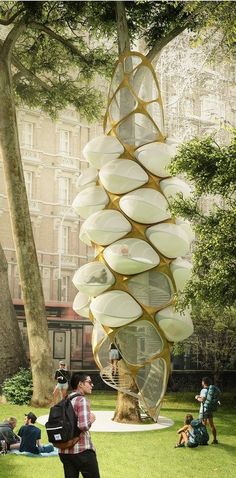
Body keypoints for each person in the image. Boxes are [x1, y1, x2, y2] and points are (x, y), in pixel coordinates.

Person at [58, 372, 100, 478]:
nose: (92, 385)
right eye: (89, 382)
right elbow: (83, 426)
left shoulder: (65, 400)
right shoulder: (81, 400)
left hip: (64, 451)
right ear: (80, 384)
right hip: (82, 451)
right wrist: (92, 419)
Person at [195, 376, 218, 444]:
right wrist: (199, 396)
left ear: (203, 382)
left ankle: (203, 440)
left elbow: (202, 399)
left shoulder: (203, 390)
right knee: (211, 424)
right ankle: (215, 439)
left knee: (202, 425)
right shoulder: (211, 390)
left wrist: (197, 398)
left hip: (203, 410)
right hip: (209, 409)